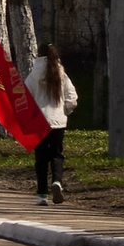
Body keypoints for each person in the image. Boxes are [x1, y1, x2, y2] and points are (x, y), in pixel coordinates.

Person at [25, 42, 76, 206]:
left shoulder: (34, 74)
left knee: (41, 158)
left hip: (39, 121)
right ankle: (57, 181)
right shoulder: (61, 73)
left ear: (39, 54)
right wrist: (65, 110)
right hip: (58, 121)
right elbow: (72, 97)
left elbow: (26, 96)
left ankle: (42, 195)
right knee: (56, 154)